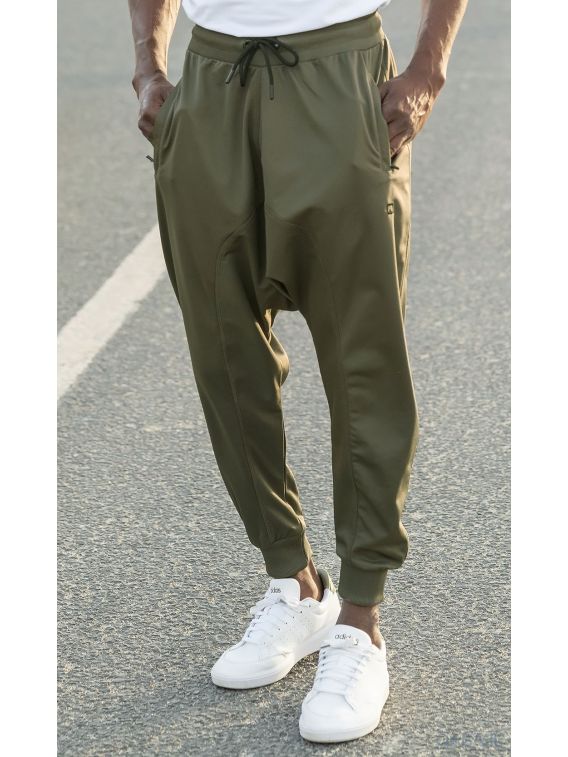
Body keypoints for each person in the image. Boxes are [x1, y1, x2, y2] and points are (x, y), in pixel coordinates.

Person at [128, 0, 468, 743]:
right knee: (224, 353)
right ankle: (296, 582)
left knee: (363, 361)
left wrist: (428, 68)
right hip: (211, 82)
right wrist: (149, 66)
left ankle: (360, 622)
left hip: (339, 77)